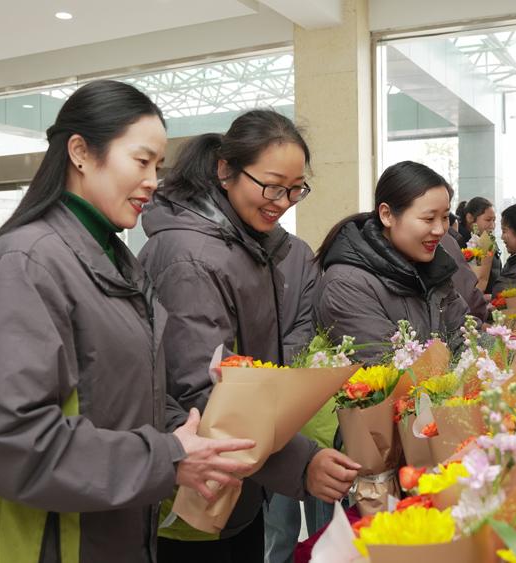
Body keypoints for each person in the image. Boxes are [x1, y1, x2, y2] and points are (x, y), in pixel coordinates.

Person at [0, 80, 256, 563]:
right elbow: (14, 442)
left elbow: (118, 398)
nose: (154, 180)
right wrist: (168, 457)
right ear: (81, 153)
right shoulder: (25, 264)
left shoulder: (115, 262)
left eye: (159, 165)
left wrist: (189, 433)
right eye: (141, 160)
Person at [137, 109, 360, 563]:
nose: (282, 201)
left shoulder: (244, 242)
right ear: (225, 170)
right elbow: (202, 394)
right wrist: (302, 463)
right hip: (195, 491)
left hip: (241, 476)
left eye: (295, 189)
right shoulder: (193, 255)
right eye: (272, 185)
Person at [315, 161, 470, 365]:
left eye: (444, 217)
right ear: (387, 215)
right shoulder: (346, 284)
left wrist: (506, 359)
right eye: (429, 218)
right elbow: (393, 370)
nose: (440, 230)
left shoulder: (433, 268)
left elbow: (466, 338)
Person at [263, 235, 336, 563]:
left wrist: (273, 366)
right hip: (243, 397)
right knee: (276, 525)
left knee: (291, 505)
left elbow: (307, 323)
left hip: (291, 398)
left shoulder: (299, 252)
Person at [455, 197, 502, 292]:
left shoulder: (489, 242)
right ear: (470, 218)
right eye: (488, 220)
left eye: (494, 220)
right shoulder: (458, 244)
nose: (492, 226)